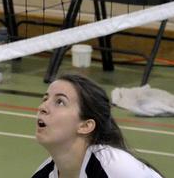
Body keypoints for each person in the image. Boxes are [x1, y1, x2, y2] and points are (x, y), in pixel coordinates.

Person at [33, 73, 163, 177]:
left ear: (85, 126)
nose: (43, 107)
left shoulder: (113, 167)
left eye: (60, 102)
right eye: (45, 99)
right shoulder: (44, 174)